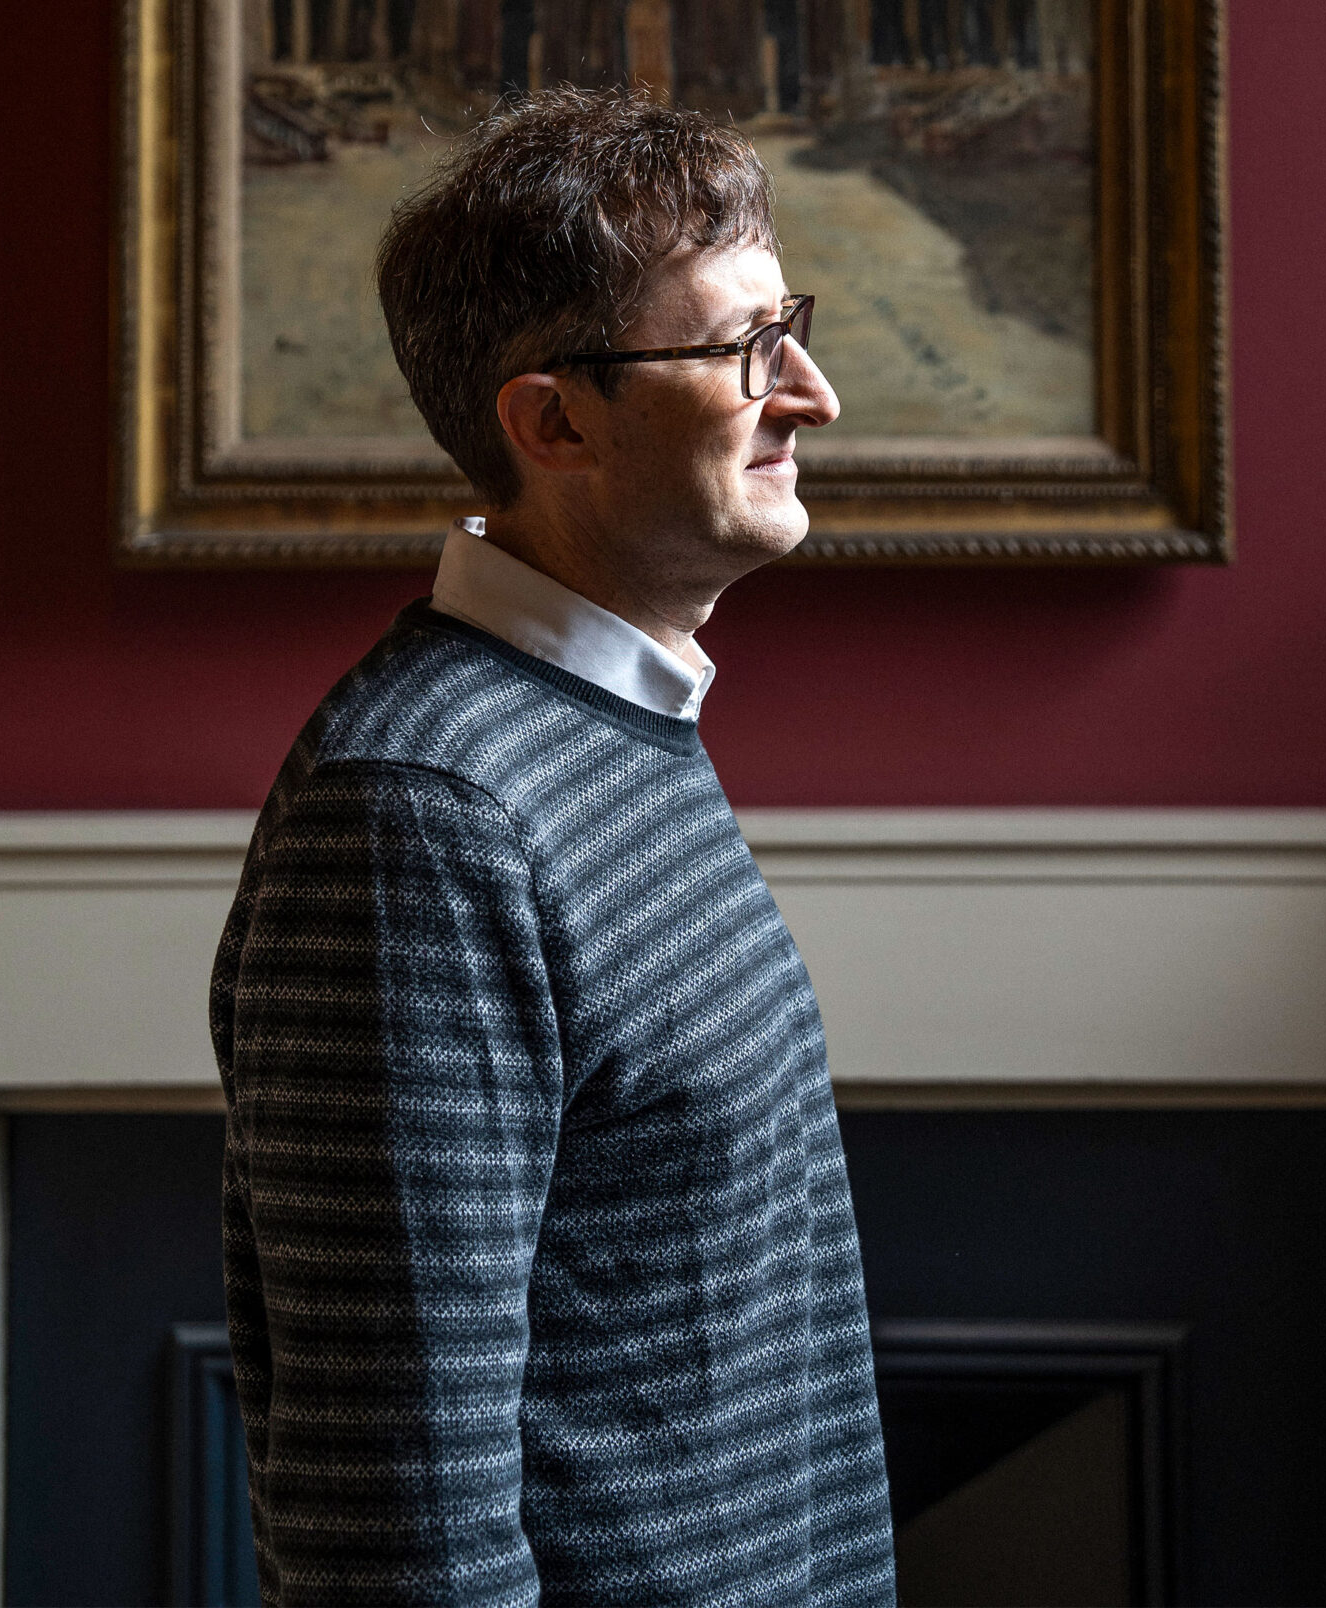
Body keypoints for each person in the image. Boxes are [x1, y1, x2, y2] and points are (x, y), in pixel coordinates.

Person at [212, 88, 896, 1605]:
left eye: (788, 323)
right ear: (553, 421)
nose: (811, 392)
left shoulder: (608, 726)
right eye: (738, 350)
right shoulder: (420, 817)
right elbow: (395, 1523)